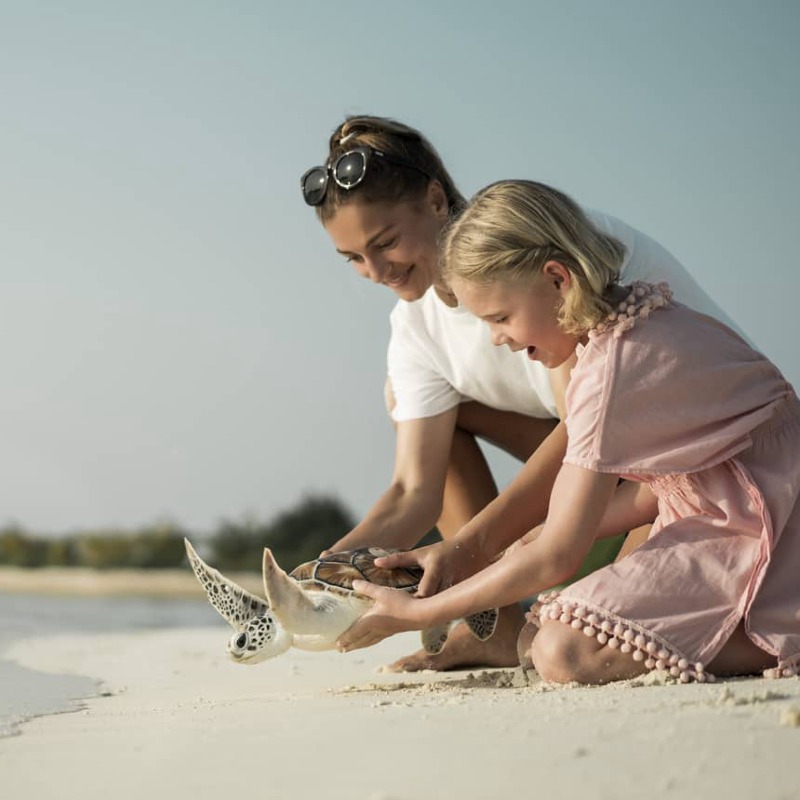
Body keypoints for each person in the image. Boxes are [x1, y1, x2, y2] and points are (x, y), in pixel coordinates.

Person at [302, 116, 745, 672]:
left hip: (694, 464)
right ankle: (496, 626)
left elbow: (589, 429)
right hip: (620, 475)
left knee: (577, 646)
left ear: (436, 200)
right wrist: (324, 574)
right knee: (416, 402)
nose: (375, 271)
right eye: (353, 259)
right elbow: (413, 490)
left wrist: (472, 552)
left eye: (385, 242)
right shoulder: (414, 324)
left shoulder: (551, 248)